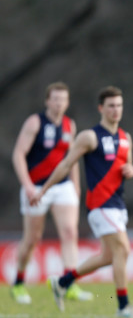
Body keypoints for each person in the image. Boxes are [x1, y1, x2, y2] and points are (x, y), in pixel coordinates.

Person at [31, 85, 133, 318]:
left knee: (108, 256)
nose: (116, 110)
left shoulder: (126, 138)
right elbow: (65, 165)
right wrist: (43, 189)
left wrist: (131, 170)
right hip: (100, 204)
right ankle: (123, 306)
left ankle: (62, 282)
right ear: (101, 108)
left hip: (118, 205)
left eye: (119, 105)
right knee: (123, 249)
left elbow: (129, 166)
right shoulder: (89, 136)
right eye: (111, 106)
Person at [11, 82, 92, 304]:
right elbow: (18, 154)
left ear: (67, 102)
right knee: (32, 239)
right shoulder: (35, 122)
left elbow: (71, 159)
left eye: (63, 99)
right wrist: (27, 185)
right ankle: (18, 282)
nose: (59, 103)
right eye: (55, 99)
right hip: (36, 187)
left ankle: (68, 284)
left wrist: (75, 184)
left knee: (69, 233)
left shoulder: (69, 125)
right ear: (48, 101)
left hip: (62, 186)